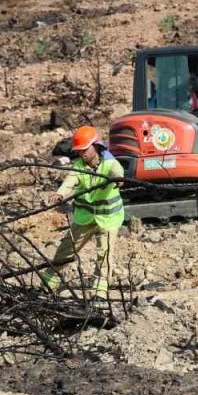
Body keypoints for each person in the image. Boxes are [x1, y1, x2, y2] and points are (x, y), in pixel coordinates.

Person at [44, 126, 124, 299]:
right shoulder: (78, 166)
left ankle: (100, 292)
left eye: (84, 149)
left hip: (108, 218)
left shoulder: (110, 163)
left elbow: (118, 172)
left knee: (104, 254)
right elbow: (69, 181)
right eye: (79, 151)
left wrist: (118, 180)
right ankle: (48, 282)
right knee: (66, 249)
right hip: (85, 218)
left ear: (96, 146)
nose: (82, 154)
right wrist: (60, 193)